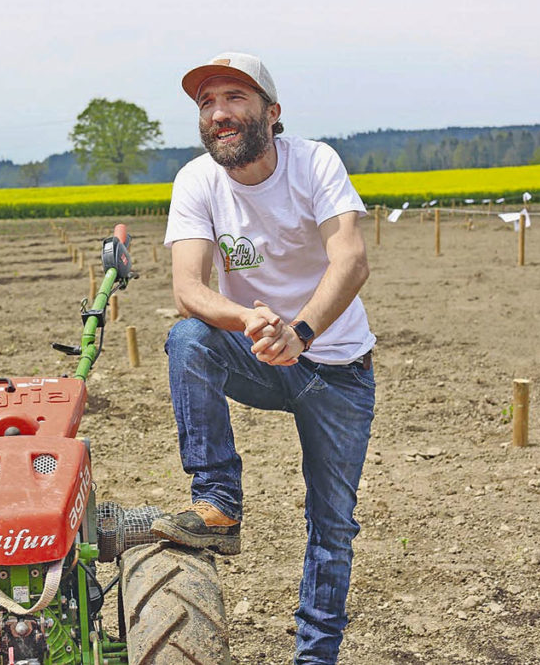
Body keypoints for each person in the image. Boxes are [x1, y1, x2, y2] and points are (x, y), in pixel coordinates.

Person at [150, 52, 376, 664]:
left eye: (235, 99)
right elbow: (189, 290)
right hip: (258, 353)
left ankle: (314, 657)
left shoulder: (315, 163)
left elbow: (350, 259)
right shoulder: (197, 181)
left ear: (272, 114)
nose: (218, 113)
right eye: (206, 103)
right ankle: (218, 500)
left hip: (336, 369)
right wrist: (247, 318)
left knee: (332, 527)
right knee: (189, 337)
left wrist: (300, 331)